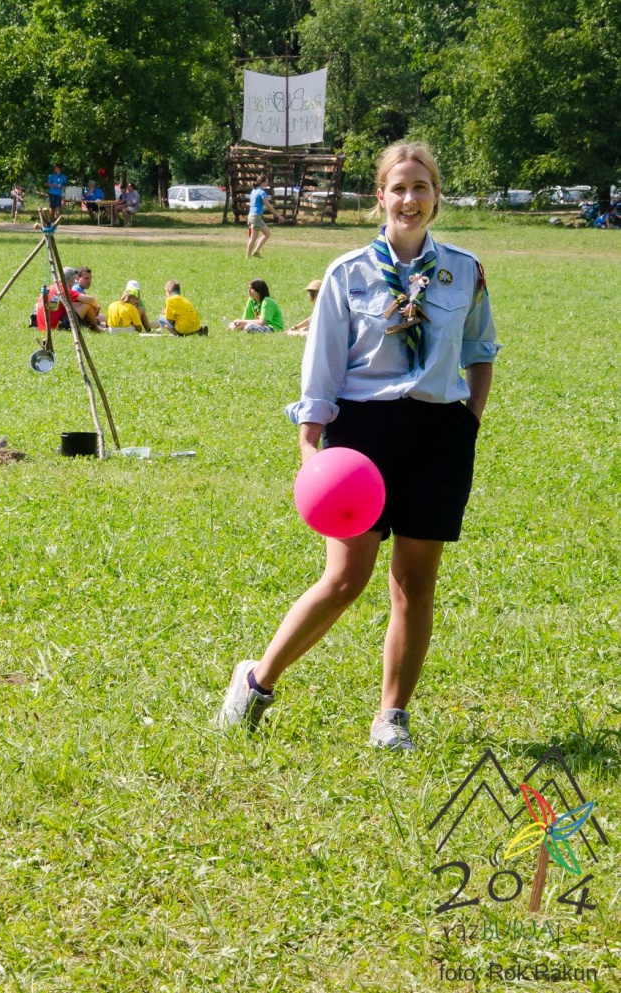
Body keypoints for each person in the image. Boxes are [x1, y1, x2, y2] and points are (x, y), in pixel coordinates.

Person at [215, 140, 499, 751]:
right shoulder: (348, 273)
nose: (410, 198)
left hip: (439, 436)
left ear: (436, 197)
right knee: (346, 578)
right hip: (362, 440)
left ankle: (390, 718)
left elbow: (480, 350)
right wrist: (309, 445)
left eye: (421, 187)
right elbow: (321, 369)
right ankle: (256, 682)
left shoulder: (464, 270)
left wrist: (469, 419)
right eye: (398, 187)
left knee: (414, 584)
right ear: (380, 196)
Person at [246, 175, 276, 258]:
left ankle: (256, 252)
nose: (267, 183)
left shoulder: (254, 191)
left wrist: (249, 217)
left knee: (267, 233)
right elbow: (268, 206)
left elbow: (252, 204)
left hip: (253, 216)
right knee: (253, 238)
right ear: (262, 182)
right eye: (266, 181)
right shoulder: (262, 192)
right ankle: (247, 257)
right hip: (256, 217)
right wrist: (278, 216)